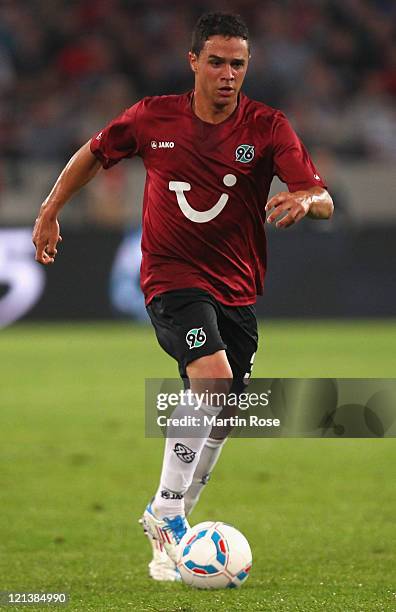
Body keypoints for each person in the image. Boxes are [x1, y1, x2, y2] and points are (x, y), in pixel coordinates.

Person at [32, 12, 334, 582]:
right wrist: (50, 209)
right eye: (216, 61)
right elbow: (95, 152)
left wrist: (306, 202)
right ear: (193, 61)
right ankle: (169, 512)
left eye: (237, 64)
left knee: (223, 412)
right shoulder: (153, 117)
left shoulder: (268, 127)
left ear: (248, 67)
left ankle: (169, 528)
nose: (227, 74)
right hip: (171, 278)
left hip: (238, 287)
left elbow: (321, 195)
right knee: (213, 380)